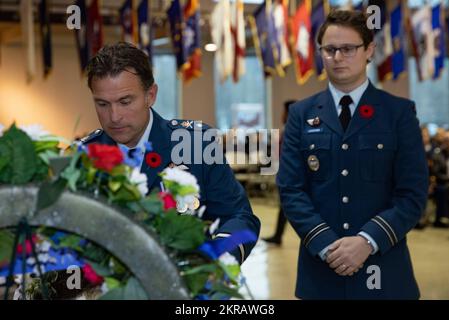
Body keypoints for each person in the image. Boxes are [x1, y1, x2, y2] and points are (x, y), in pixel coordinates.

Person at [276, 10, 428, 299]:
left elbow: (412, 193)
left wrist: (367, 241)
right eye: (329, 49)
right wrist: (326, 245)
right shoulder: (301, 113)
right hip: (321, 270)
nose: (337, 57)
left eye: (348, 49)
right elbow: (291, 189)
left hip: (384, 270)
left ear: (369, 50)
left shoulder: (398, 113)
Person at [79, 42, 260, 264]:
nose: (114, 116)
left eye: (125, 101)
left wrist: (216, 259)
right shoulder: (84, 156)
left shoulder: (196, 144)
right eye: (103, 104)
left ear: (151, 95)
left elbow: (238, 216)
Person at [263, 100, 296, 245]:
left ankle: (278, 236)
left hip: (291, 175)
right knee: (285, 207)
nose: (281, 115)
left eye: (283, 112)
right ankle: (277, 236)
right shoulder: (289, 129)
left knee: (289, 206)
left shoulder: (292, 129)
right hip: (286, 172)